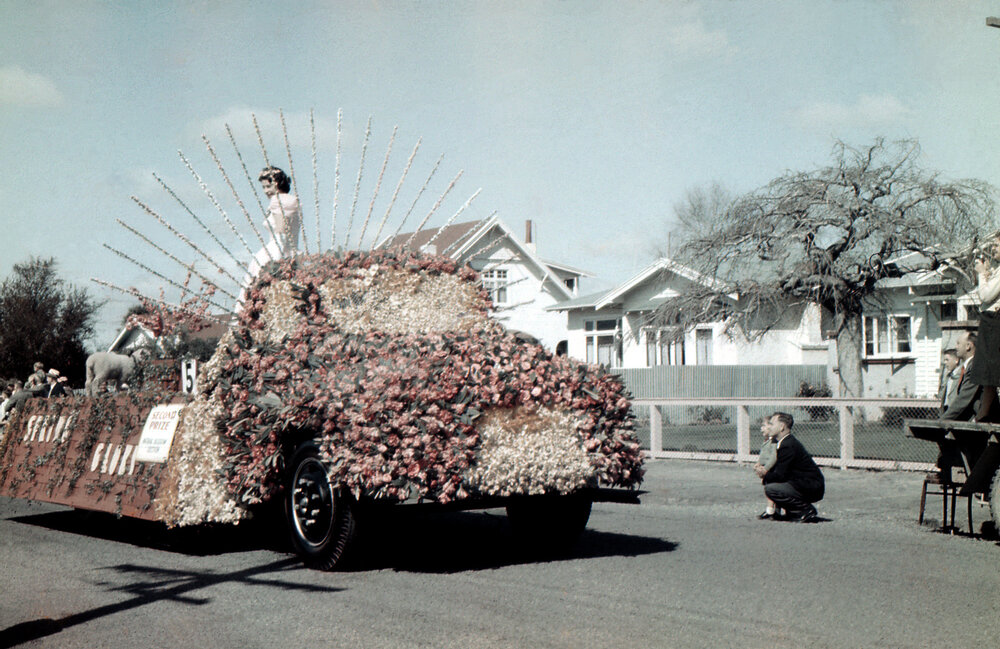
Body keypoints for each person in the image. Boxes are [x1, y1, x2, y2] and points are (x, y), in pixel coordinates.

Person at [238, 166, 300, 308]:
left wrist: (276, 263)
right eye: (264, 188)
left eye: (268, 186)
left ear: (277, 184)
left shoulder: (279, 202)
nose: (266, 191)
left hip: (276, 253)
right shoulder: (290, 201)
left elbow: (281, 234)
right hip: (290, 251)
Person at [753, 412, 824, 523]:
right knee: (773, 483)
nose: (769, 427)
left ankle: (805, 510)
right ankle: (788, 512)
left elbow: (780, 475)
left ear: (782, 427)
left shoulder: (788, 445)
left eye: (772, 424)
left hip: (811, 486)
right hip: (804, 484)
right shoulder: (784, 442)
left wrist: (764, 474)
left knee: (771, 489)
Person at [972, 241, 1000, 421]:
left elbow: (986, 295)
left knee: (992, 369)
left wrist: (982, 275)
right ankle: (985, 413)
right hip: (989, 321)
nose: (993, 249)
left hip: (995, 323)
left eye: (997, 245)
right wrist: (987, 274)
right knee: (987, 372)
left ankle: (985, 413)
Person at [941, 331, 980, 421]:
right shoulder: (968, 366)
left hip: (979, 424)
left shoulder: (976, 366)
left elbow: (963, 399)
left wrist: (941, 422)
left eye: (958, 343)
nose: (956, 347)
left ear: (968, 346)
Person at [755, 418, 780, 519]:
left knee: (771, 488)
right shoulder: (766, 441)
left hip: (771, 469)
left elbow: (774, 457)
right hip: (765, 467)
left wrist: (766, 468)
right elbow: (763, 455)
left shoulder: (774, 442)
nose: (761, 429)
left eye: (764, 426)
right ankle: (775, 511)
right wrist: (758, 463)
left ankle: (770, 511)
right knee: (769, 487)